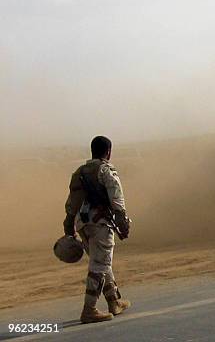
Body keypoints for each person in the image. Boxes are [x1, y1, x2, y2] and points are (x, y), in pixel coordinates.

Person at [63, 136, 131, 324]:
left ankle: (114, 301)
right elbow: (117, 201)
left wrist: (69, 223)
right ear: (108, 151)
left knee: (101, 261)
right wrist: (123, 225)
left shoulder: (80, 172)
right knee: (100, 264)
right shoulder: (107, 170)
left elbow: (72, 202)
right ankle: (89, 309)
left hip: (82, 224)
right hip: (100, 224)